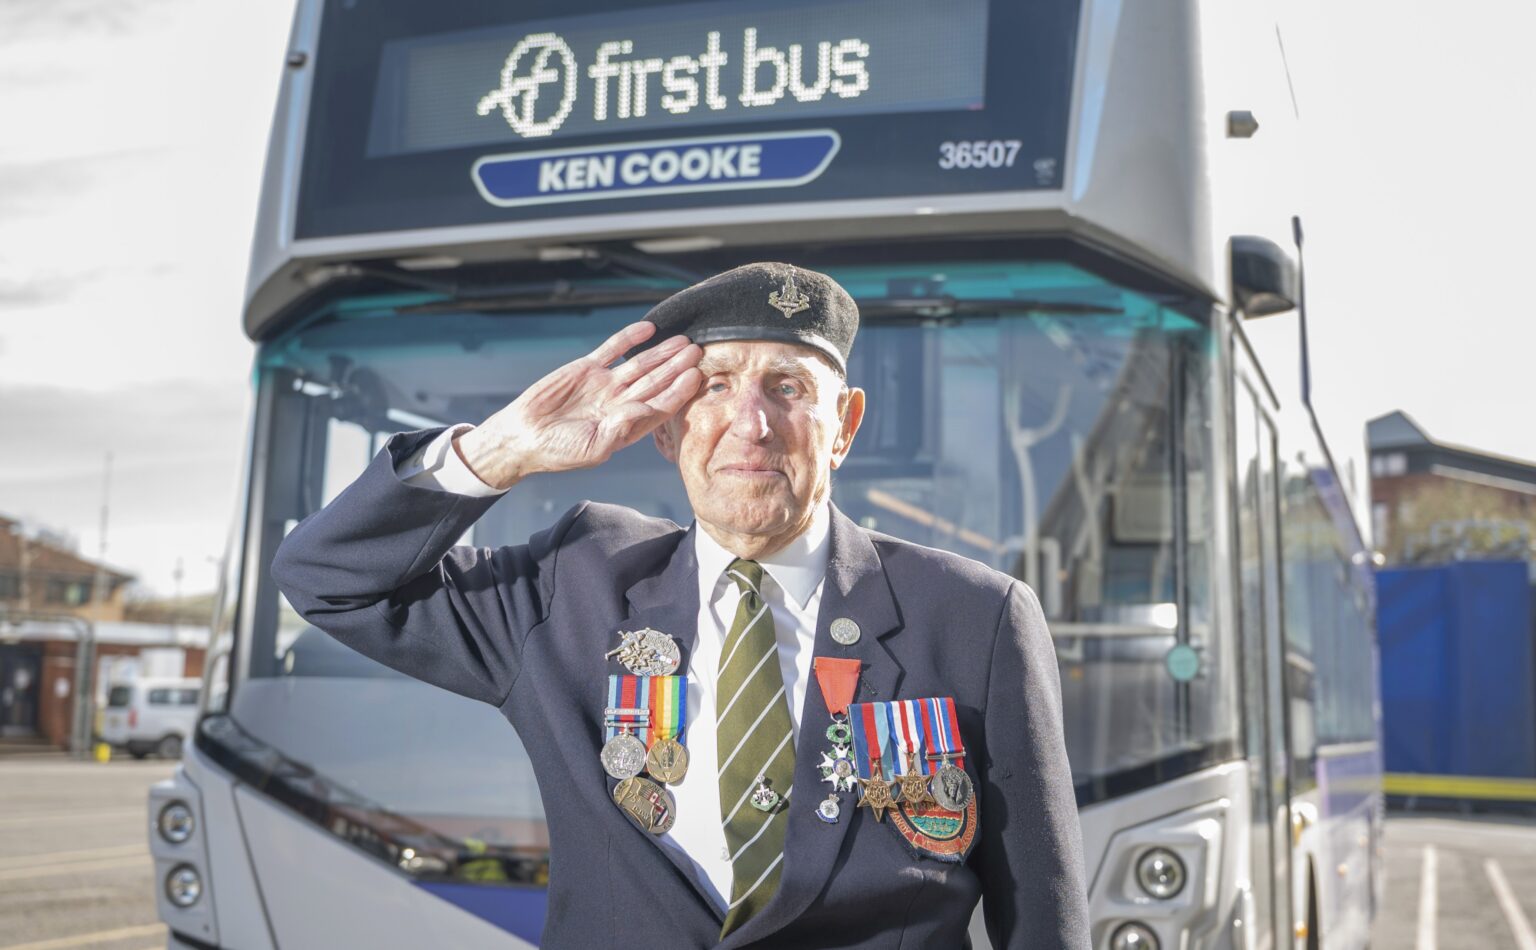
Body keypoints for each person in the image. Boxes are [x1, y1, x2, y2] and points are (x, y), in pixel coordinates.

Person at [271, 262, 1090, 949]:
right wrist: (500, 450)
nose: (751, 424)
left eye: (787, 387)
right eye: (716, 385)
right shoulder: (575, 583)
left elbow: (1045, 922)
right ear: (664, 427)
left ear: (844, 425)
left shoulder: (974, 617)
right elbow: (327, 577)